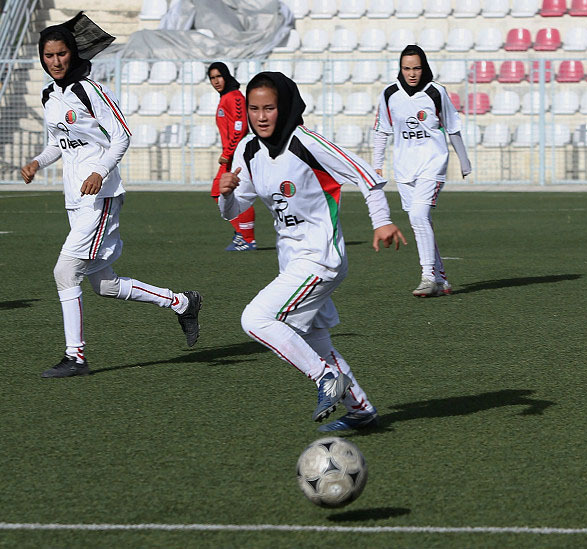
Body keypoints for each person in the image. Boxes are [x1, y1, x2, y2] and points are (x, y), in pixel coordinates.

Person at [219, 72, 407, 431]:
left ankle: (325, 379)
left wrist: (381, 221)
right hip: (292, 261)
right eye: (255, 109)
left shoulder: (306, 142)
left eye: (269, 108)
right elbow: (233, 211)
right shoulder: (247, 149)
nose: (261, 116)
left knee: (255, 319)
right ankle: (361, 411)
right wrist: (226, 192)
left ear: (284, 106)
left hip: (321, 257)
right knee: (314, 340)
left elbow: (365, 175)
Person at [21, 13, 202, 378]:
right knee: (105, 285)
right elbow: (60, 142)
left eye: (61, 54)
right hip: (75, 197)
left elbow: (121, 135)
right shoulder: (50, 95)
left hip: (100, 195)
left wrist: (99, 171)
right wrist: (38, 162)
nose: (55, 62)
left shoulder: (90, 90)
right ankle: (182, 303)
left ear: (72, 53)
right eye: (48, 56)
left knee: (64, 271)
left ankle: (76, 357)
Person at [372, 45, 471, 297]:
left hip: (432, 162)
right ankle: (442, 279)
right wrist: (376, 163)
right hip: (404, 167)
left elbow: (452, 127)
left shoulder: (436, 92)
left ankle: (427, 276)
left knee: (418, 215)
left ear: (424, 67)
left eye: (416, 68)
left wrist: (464, 159)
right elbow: (382, 130)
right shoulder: (389, 93)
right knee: (420, 220)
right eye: (407, 68)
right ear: (400, 68)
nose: (412, 73)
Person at [208, 61, 256, 251]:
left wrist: (228, 153)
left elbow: (240, 126)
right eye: (212, 78)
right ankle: (243, 235)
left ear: (226, 76)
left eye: (219, 76)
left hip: (236, 155)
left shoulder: (234, 97)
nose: (216, 81)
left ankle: (246, 238)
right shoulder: (225, 97)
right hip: (231, 153)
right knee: (218, 192)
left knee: (227, 192)